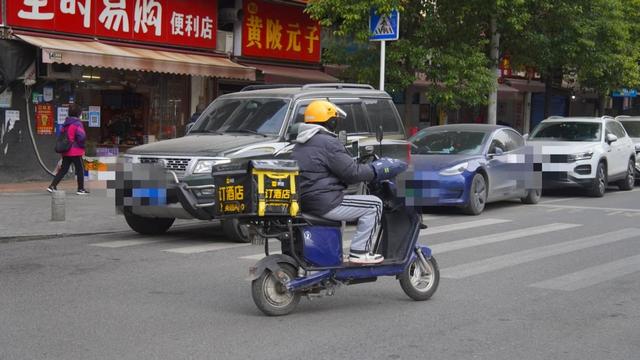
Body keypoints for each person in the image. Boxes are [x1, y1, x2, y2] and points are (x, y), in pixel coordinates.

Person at [291, 100, 406, 264]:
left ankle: (335, 254)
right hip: (325, 201)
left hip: (307, 200)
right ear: (331, 121)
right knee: (374, 204)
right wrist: (376, 169)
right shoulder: (328, 142)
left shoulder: (300, 143)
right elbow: (352, 173)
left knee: (346, 213)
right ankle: (360, 251)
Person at [48, 104, 89, 195]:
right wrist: (82, 146)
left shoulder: (66, 123)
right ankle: (80, 189)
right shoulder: (77, 123)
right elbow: (81, 136)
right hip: (75, 151)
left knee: (63, 169)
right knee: (80, 169)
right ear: (79, 114)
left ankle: (52, 186)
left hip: (66, 150)